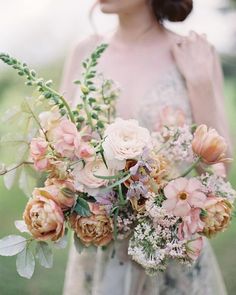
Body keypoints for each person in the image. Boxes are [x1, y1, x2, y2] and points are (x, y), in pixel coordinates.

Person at [61, 1, 231, 294]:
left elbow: (218, 169)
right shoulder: (84, 52)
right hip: (99, 249)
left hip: (172, 253)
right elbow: (59, 150)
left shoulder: (195, 52)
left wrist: (200, 83)